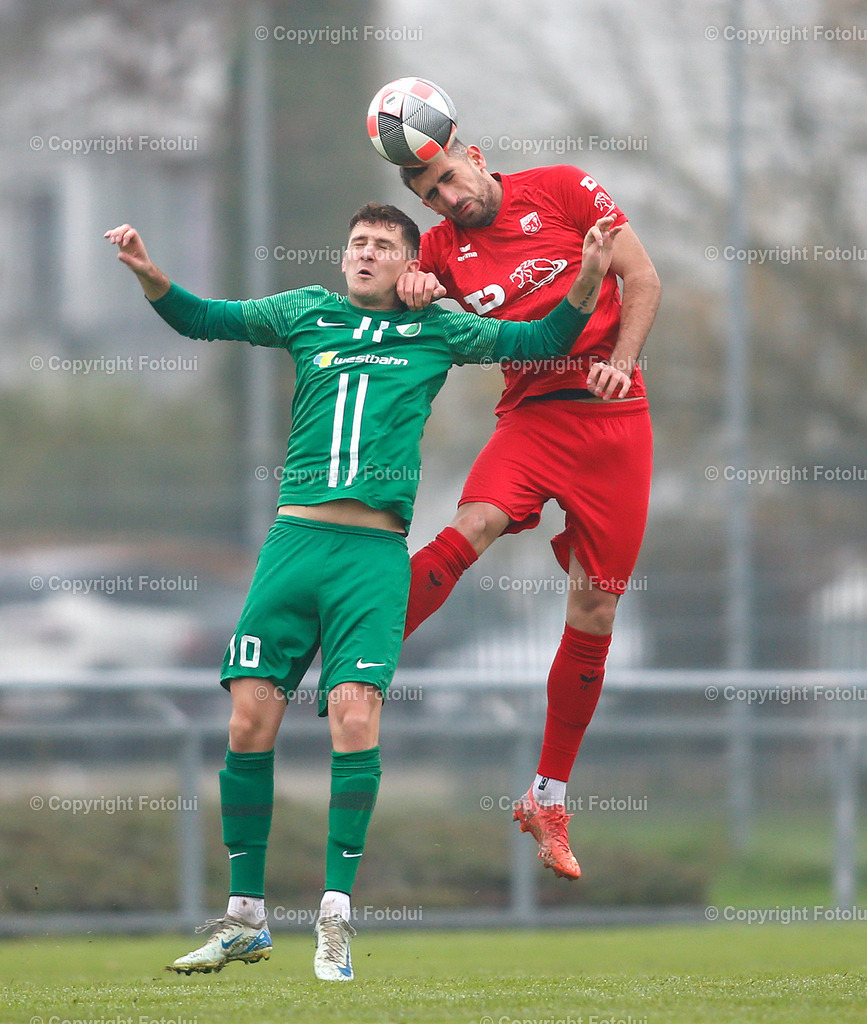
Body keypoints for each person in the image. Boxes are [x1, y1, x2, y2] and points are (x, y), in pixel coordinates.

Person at [105, 202, 619, 980]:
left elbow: (542, 342)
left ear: (409, 261)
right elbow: (203, 319)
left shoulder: (436, 329)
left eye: (382, 244)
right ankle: (244, 919)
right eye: (356, 243)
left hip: (372, 555)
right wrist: (151, 275)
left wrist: (584, 278)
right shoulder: (303, 311)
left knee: (353, 718)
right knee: (248, 719)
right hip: (293, 545)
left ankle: (334, 918)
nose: (365, 253)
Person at [395, 141, 660, 880]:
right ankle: (366, 655)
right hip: (531, 418)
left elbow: (641, 277)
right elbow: (390, 295)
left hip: (614, 418)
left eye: (448, 179)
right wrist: (410, 287)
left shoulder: (566, 188)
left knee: (596, 610)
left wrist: (623, 357)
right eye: (429, 195)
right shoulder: (444, 250)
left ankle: (546, 798)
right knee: (470, 525)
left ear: (472, 156)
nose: (447, 199)